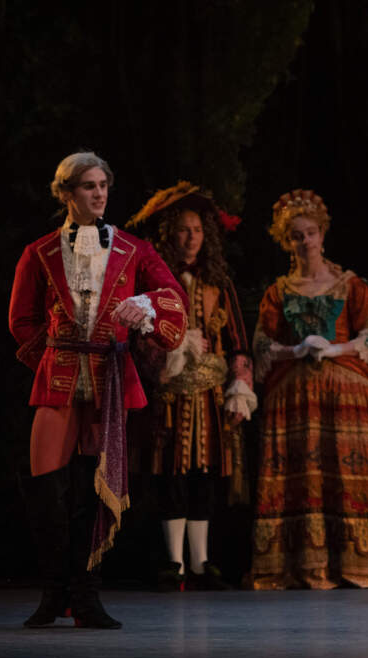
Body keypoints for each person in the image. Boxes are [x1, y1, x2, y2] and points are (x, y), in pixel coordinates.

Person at [10, 151, 188, 628]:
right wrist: (49, 356)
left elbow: (174, 299)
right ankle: (54, 593)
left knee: (96, 487)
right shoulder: (40, 251)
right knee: (46, 487)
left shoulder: (135, 250)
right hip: (61, 374)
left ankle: (87, 597)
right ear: (67, 193)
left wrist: (143, 305)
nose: (99, 194)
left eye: (103, 185)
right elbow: (20, 319)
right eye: (89, 186)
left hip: (110, 375)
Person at [250, 189, 368, 590]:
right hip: (296, 390)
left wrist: (336, 348)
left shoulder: (349, 284)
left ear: (322, 235)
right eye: (296, 235)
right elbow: (260, 342)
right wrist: (296, 348)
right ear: (285, 241)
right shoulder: (278, 291)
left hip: (346, 386)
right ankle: (302, 560)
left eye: (310, 233)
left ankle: (366, 559)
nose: (305, 241)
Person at [126, 182, 255, 590]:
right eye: (183, 229)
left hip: (210, 398)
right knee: (169, 475)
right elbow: (137, 336)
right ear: (169, 234)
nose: (191, 237)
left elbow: (238, 342)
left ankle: (201, 562)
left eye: (197, 229)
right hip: (168, 399)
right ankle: (173, 562)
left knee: (205, 475)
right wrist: (173, 349)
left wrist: (240, 388)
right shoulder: (152, 283)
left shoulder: (219, 282)